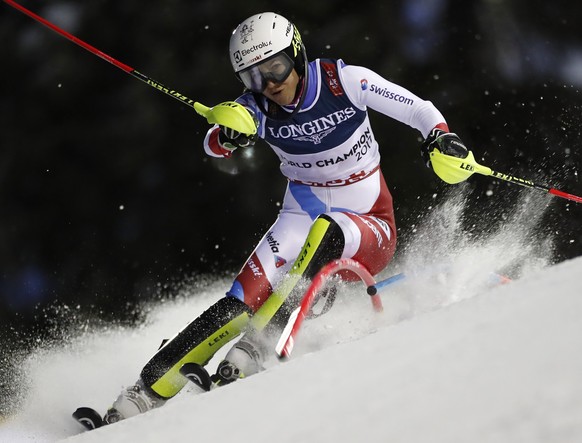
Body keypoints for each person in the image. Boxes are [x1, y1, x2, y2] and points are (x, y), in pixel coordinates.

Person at [100, 12, 469, 423]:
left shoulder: (343, 82)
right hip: (300, 215)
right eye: (253, 76)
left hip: (370, 225)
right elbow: (212, 143)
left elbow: (419, 109)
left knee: (326, 232)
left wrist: (442, 137)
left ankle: (260, 344)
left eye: (275, 67)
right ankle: (144, 392)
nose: (270, 84)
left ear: (296, 55)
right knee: (240, 301)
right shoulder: (255, 106)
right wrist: (226, 135)